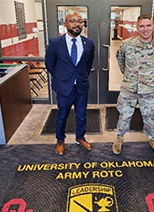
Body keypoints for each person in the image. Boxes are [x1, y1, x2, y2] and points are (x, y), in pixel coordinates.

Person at [112, 14, 154, 158]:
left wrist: (149, 78)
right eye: (141, 26)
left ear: (153, 27)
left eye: (148, 25)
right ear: (137, 27)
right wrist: (131, 77)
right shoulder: (127, 44)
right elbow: (121, 62)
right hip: (129, 88)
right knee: (124, 115)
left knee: (150, 117)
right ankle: (119, 138)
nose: (145, 29)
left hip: (149, 90)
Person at [45, 12, 95, 155]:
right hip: (64, 87)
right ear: (65, 23)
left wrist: (80, 77)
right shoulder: (55, 43)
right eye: (72, 21)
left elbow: (87, 65)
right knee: (62, 115)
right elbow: (50, 65)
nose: (76, 24)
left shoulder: (89, 43)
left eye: (80, 21)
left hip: (81, 86)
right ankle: (60, 140)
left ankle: (80, 137)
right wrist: (62, 77)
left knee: (81, 115)